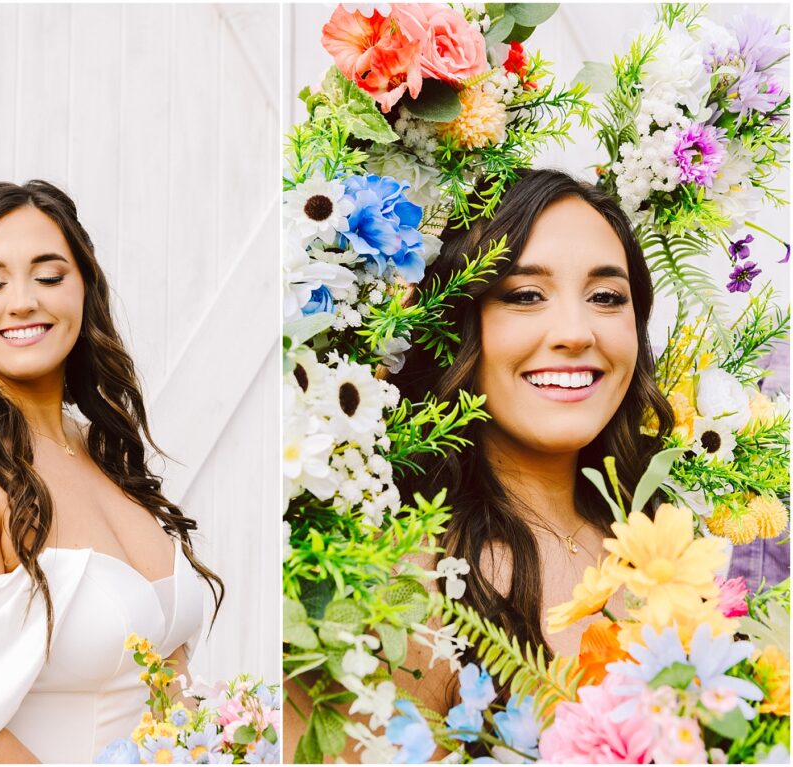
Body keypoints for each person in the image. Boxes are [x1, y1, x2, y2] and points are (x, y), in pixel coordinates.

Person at [283, 169, 674, 762]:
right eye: (524, 295)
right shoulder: (401, 583)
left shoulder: (669, 536)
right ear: (458, 326)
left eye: (606, 297)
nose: (575, 332)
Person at [0, 180, 224, 763]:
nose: (22, 300)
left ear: (85, 288)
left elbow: (166, 682)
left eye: (50, 276)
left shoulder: (99, 449)